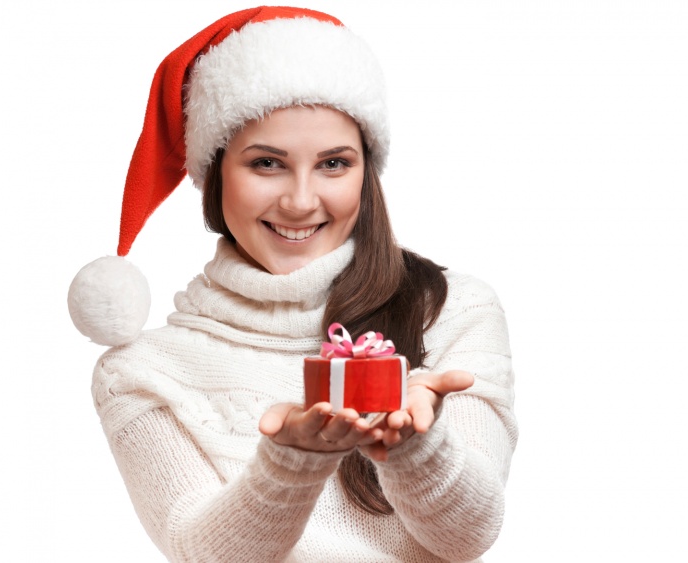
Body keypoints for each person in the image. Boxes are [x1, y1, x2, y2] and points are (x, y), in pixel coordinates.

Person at [68, 6, 517, 562]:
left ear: (366, 173)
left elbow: (469, 538)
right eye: (266, 164)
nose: (301, 201)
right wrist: (292, 461)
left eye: (334, 164)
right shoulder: (140, 371)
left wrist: (412, 447)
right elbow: (198, 552)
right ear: (214, 175)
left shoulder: (451, 310)